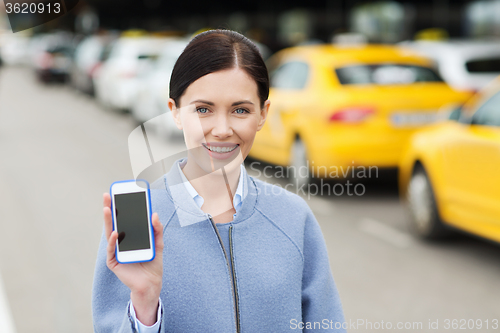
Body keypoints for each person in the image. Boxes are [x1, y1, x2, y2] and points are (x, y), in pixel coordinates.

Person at [92, 29, 346, 333]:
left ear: (263, 114)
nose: (222, 129)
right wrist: (144, 306)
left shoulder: (292, 217)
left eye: (240, 110)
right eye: (203, 110)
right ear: (174, 112)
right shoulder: (139, 220)